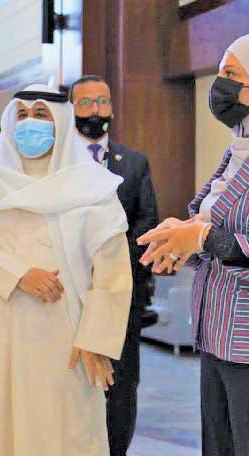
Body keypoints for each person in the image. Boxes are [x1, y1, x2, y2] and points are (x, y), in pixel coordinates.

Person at [138, 31, 249, 456]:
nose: (220, 87)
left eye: (232, 75)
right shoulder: (244, 147)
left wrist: (207, 238)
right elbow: (217, 227)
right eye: (220, 74)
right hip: (220, 341)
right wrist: (183, 239)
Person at [0, 83, 133, 455]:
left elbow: (113, 271)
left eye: (40, 114)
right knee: (1, 425)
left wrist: (97, 339)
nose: (29, 123)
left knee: (63, 430)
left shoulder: (91, 184)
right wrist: (19, 274)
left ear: (61, 122)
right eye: (21, 115)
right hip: (1, 328)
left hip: (65, 333)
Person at [71, 75, 158, 456]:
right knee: (70, 382)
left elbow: (146, 226)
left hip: (122, 297)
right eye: (85, 103)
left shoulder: (134, 163)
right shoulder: (56, 163)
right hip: (69, 293)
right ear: (71, 110)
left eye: (102, 102)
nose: (95, 111)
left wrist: (111, 271)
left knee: (120, 386)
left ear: (112, 108)